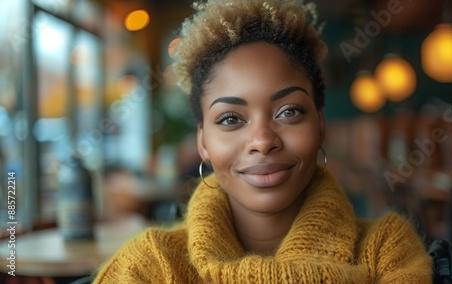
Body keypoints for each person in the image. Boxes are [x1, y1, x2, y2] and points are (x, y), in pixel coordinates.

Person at [93, 0, 432, 282]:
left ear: (320, 126)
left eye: (289, 112)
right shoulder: (150, 267)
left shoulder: (387, 250)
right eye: (230, 119)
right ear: (203, 144)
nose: (262, 140)